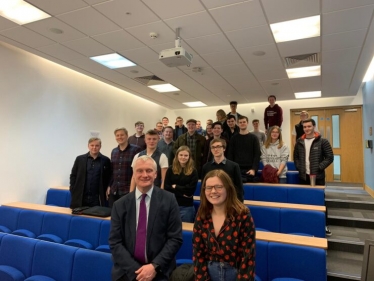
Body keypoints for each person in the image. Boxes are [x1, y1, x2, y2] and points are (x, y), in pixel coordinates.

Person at [109, 155, 183, 281]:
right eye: (140, 171)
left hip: (159, 271)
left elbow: (175, 238)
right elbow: (115, 242)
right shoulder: (120, 205)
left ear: (155, 174)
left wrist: (154, 267)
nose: (144, 175)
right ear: (133, 174)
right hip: (127, 272)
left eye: (149, 171)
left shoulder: (169, 200)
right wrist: (137, 271)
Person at [193, 169, 256, 281]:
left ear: (228, 188)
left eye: (218, 187)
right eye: (209, 187)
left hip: (235, 274)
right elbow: (198, 253)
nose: (213, 191)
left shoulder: (243, 215)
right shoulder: (202, 214)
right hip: (209, 274)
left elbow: (248, 258)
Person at [293, 118, 334, 236]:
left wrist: (319, 167)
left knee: (320, 201)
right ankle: (307, 225)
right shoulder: (299, 142)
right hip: (303, 176)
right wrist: (299, 167)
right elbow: (296, 157)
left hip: (318, 177)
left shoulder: (322, 141)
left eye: (309, 126)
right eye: (305, 127)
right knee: (305, 201)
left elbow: (330, 157)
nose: (306, 129)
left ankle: (324, 225)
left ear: (314, 127)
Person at [69, 137, 111, 209]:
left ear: (100, 147)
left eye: (97, 145)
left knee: (95, 218)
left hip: (97, 198)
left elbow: (109, 176)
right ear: (88, 146)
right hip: (81, 197)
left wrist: (108, 187)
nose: (94, 147)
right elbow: (73, 175)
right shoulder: (79, 159)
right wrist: (73, 189)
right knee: (79, 218)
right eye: (92, 145)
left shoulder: (105, 160)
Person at [107, 128, 142, 207]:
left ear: (127, 136)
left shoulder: (136, 150)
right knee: (113, 215)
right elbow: (112, 170)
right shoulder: (114, 151)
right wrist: (109, 185)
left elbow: (138, 170)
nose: (120, 137)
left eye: (122, 135)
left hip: (128, 189)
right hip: (114, 190)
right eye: (117, 135)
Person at [164, 146, 198, 223]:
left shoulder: (193, 171)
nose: (183, 157)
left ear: (189, 157)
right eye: (181, 155)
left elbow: (190, 191)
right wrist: (183, 192)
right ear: (177, 156)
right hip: (172, 205)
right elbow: (167, 188)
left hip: (186, 207)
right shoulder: (170, 169)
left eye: (186, 155)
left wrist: (175, 186)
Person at [228, 116, 261, 183]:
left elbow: (257, 155)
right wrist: (232, 169)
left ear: (247, 123)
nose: (242, 123)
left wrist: (254, 169)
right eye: (240, 122)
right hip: (237, 169)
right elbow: (230, 155)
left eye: (244, 122)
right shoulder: (233, 138)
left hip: (250, 170)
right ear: (238, 124)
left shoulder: (254, 138)